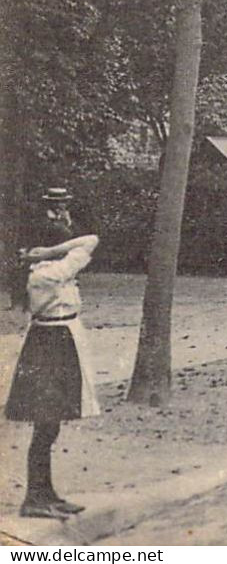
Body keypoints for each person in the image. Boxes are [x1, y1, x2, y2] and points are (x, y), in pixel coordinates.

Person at [6, 188, 100, 520]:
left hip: (61, 341)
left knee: (52, 423)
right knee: (45, 424)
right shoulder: (46, 274)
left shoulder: (48, 268)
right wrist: (47, 253)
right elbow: (90, 241)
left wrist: (45, 249)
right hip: (49, 345)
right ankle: (34, 498)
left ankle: (47, 493)